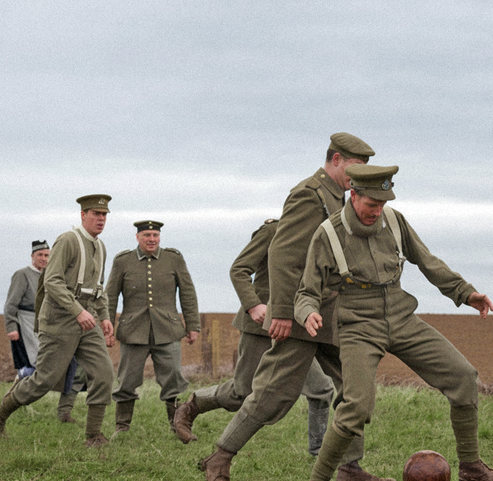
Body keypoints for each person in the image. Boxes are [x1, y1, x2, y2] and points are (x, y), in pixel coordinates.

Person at [294, 163, 493, 481]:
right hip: (359, 325)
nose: (376, 212)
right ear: (353, 195)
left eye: (382, 204)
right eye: (370, 205)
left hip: (401, 316)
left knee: (464, 376)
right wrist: (308, 313)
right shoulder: (328, 234)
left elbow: (427, 261)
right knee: (356, 405)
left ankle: (471, 466)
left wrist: (464, 293)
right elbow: (307, 290)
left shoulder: (394, 221)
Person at [198, 133, 392, 481]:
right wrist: (284, 312)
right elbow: (284, 255)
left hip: (335, 313)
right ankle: (218, 460)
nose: (359, 175)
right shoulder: (309, 194)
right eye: (355, 167)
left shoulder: (343, 198)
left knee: (353, 387)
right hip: (304, 313)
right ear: (335, 160)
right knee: (273, 392)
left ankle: (350, 469)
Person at [173, 218, 336, 455]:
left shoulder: (325, 235)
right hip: (262, 326)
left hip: (297, 329)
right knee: (242, 393)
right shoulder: (274, 230)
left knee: (321, 390)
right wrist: (253, 305)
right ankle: (193, 405)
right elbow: (239, 269)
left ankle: (318, 453)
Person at [0, 195, 116, 446]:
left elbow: (98, 288)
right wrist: (77, 311)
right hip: (60, 322)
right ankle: (1, 414)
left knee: (104, 374)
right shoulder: (67, 240)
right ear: (83, 215)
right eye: (96, 214)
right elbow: (52, 281)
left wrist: (104, 317)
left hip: (88, 321)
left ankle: (93, 436)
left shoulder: (101, 247)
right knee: (43, 382)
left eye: (104, 215)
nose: (101, 219)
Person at [105, 220, 200, 435]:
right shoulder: (123, 261)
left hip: (167, 331)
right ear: (137, 237)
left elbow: (187, 293)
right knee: (127, 381)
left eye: (155, 235)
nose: (151, 239)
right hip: (133, 332)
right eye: (147, 235)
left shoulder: (173, 259)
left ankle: (178, 427)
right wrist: (108, 326)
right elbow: (110, 296)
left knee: (174, 380)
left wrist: (192, 325)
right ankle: (122, 427)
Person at [5, 240, 83, 422]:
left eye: (47, 255)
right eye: (40, 255)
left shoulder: (55, 275)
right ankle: (20, 381)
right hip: (27, 322)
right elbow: (10, 305)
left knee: (70, 363)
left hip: (52, 322)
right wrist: (11, 327)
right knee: (40, 366)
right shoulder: (22, 275)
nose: (44, 258)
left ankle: (64, 413)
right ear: (32, 256)